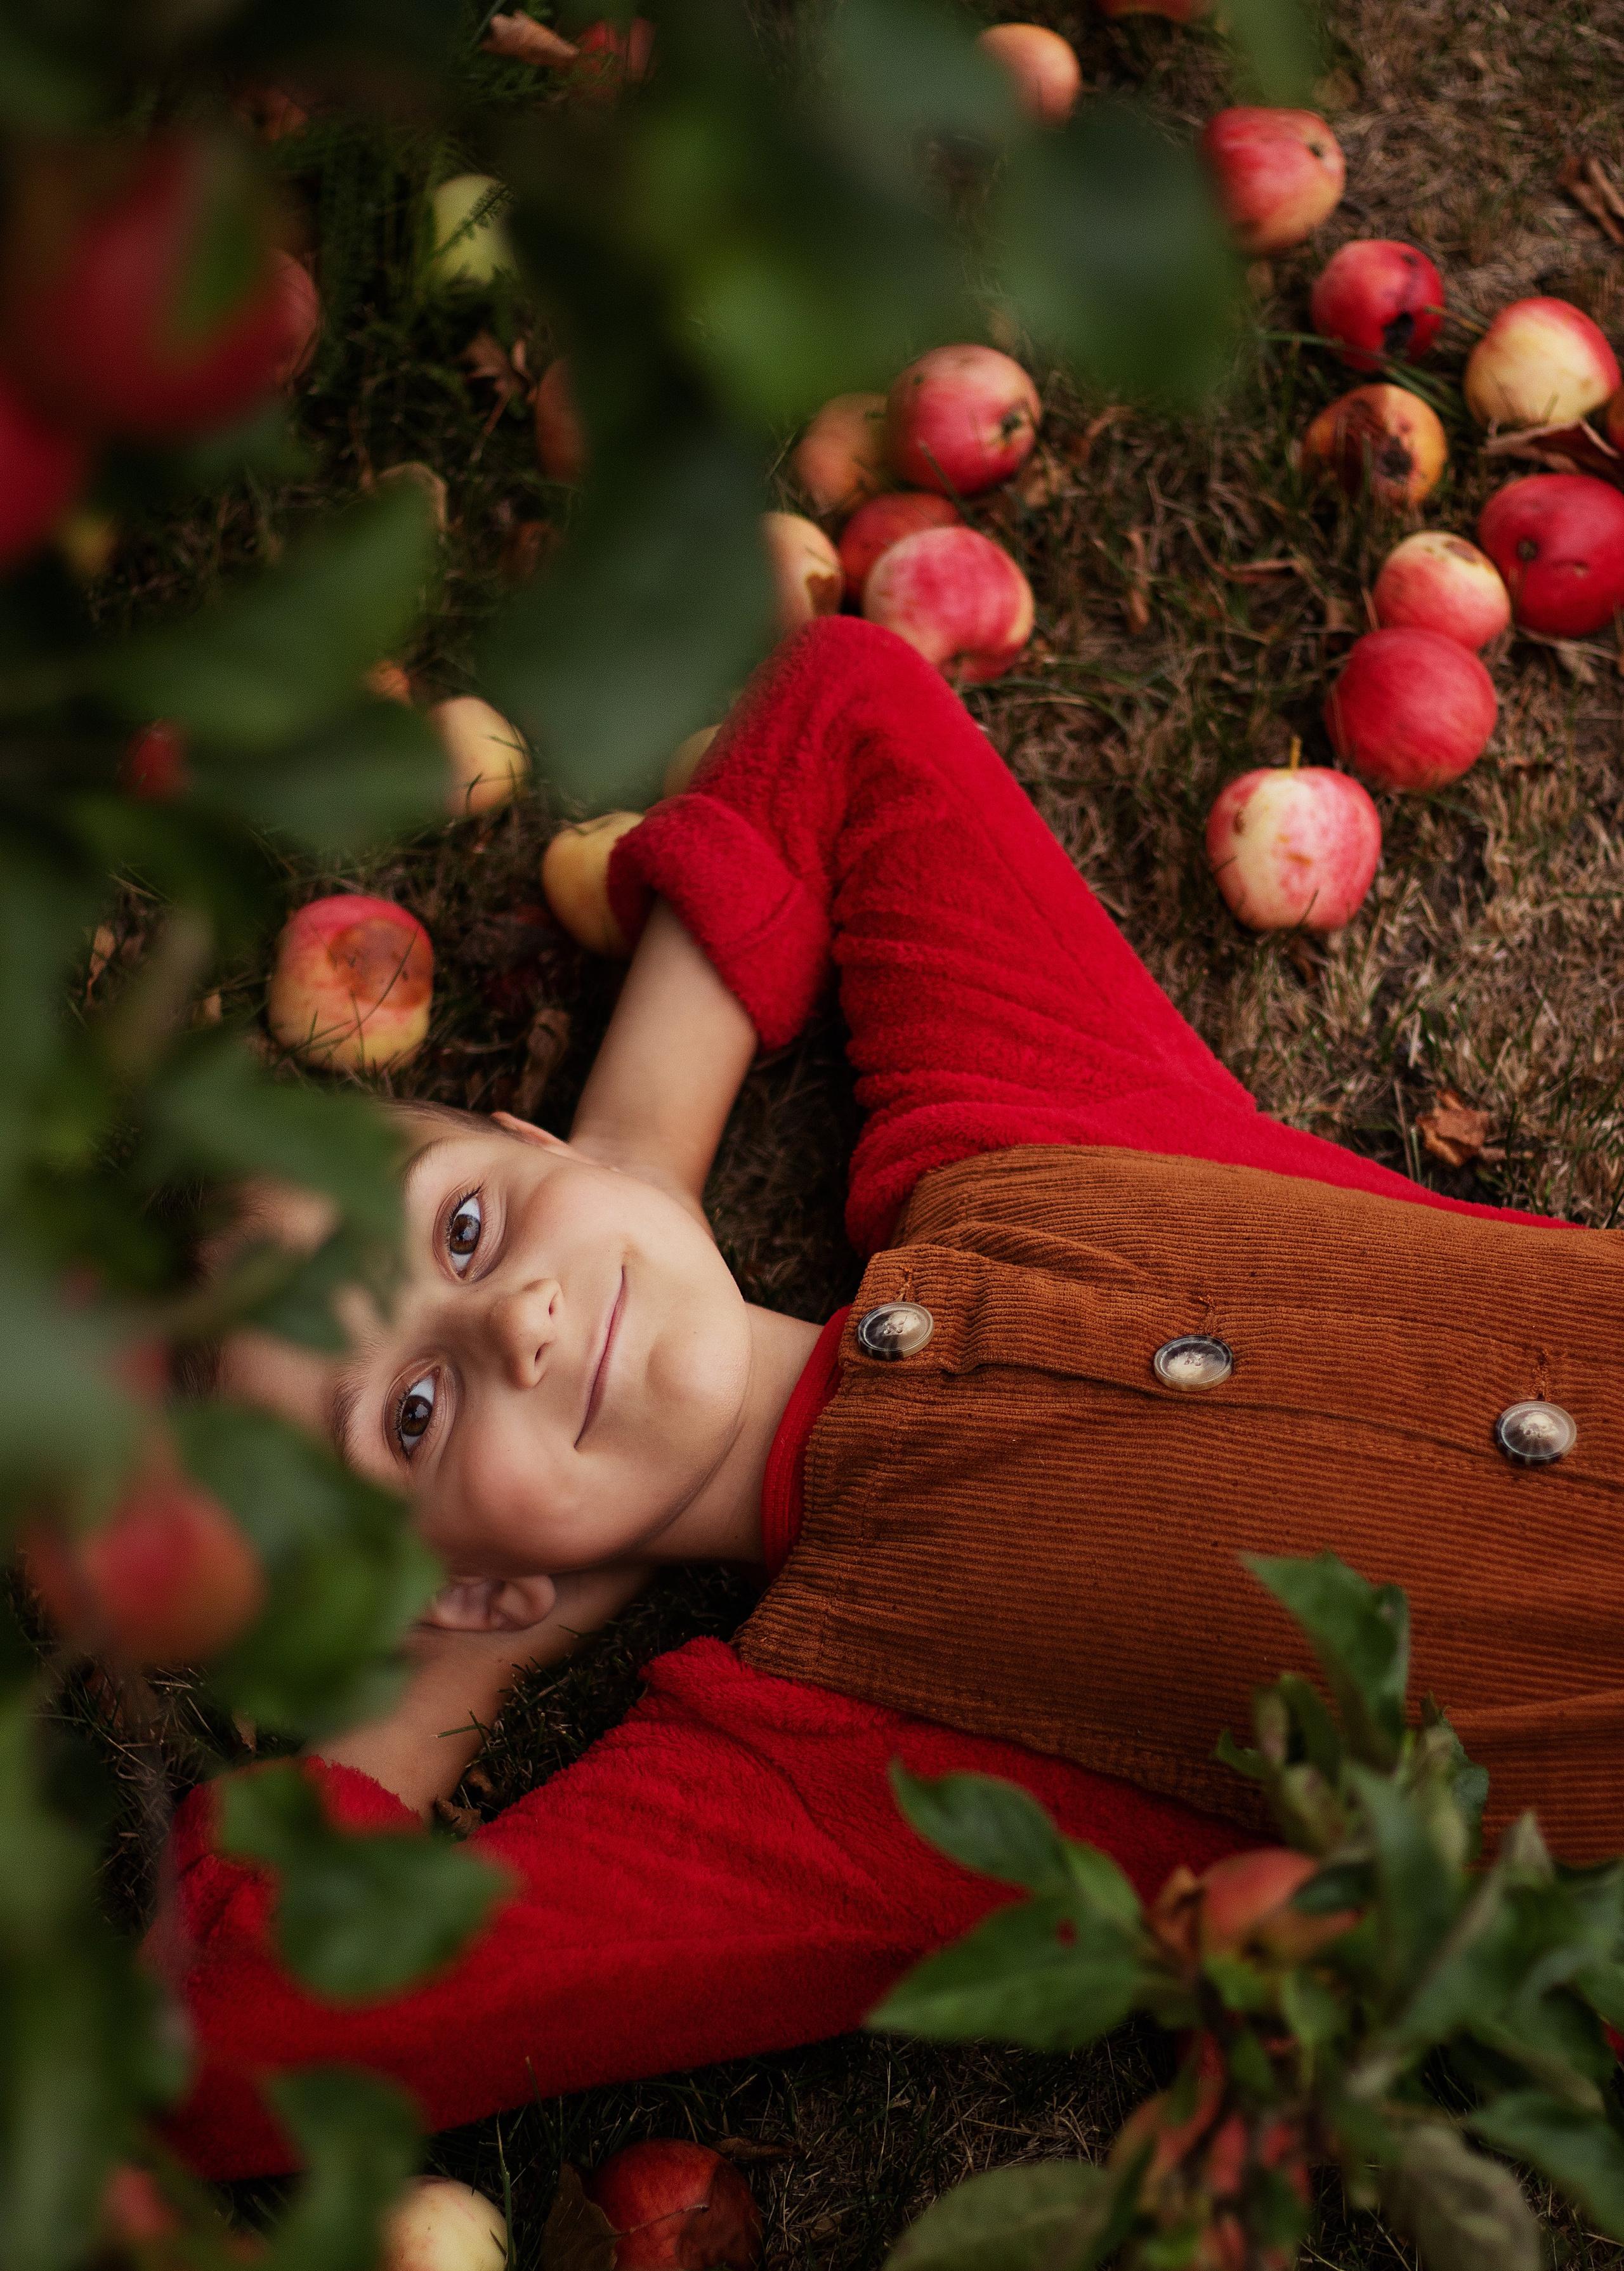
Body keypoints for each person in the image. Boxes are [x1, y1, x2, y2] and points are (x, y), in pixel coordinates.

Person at [154, 616, 1624, 2182]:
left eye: (466, 1227)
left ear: (535, 1142)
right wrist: (471, 1638)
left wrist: (644, 1144)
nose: (514, 1319)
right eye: (414, 1417)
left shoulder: (1013, 1129)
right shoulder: (828, 1776)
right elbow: (237, 2036)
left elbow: (844, 704)